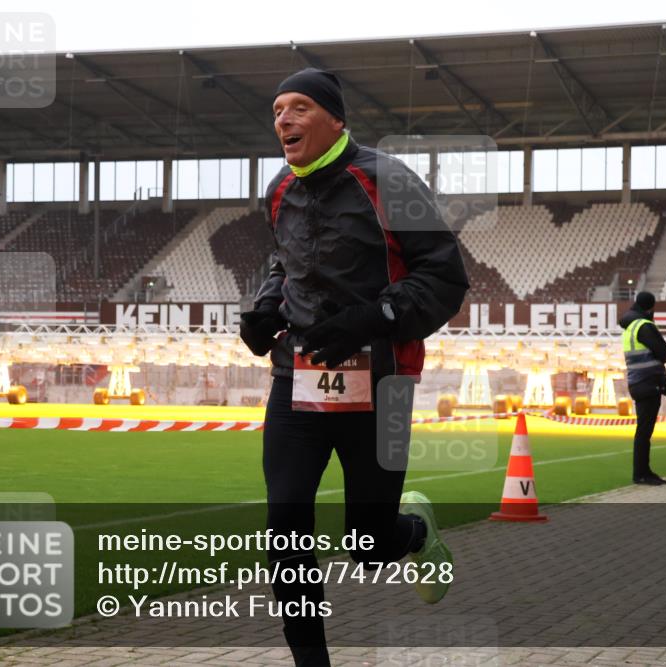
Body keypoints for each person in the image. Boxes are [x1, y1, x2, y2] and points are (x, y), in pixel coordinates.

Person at [240, 67, 469, 667]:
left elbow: (445, 279)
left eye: (298, 108)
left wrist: (371, 318)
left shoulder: (388, 180)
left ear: (335, 118)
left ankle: (412, 532)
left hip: (382, 383)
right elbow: (283, 264)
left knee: (369, 546)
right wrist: (265, 310)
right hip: (297, 381)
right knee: (285, 533)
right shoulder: (279, 189)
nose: (282, 121)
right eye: (276, 110)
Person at [619, 291, 666, 485]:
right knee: (644, 431)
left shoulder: (630, 327)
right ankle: (641, 473)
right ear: (650, 307)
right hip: (649, 382)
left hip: (637, 382)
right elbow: (665, 353)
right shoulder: (645, 326)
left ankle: (643, 471)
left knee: (643, 430)